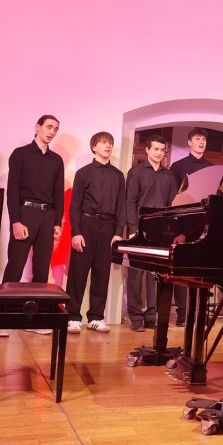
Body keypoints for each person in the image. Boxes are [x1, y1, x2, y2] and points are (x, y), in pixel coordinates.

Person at [1, 115, 64, 335]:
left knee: (40, 269)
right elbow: (13, 190)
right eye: (48, 127)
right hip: (25, 213)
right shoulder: (20, 154)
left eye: (55, 129)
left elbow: (58, 193)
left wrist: (57, 222)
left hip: (48, 216)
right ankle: (2, 316)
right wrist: (16, 221)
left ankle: (36, 320)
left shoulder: (56, 160)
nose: (52, 131)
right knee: (15, 266)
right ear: (37, 127)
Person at [65, 132, 126, 334]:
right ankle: (73, 316)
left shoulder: (118, 175)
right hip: (86, 224)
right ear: (94, 147)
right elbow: (75, 206)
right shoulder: (83, 173)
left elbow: (121, 206)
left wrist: (118, 232)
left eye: (110, 143)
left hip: (108, 228)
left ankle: (96, 317)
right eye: (103, 142)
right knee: (78, 273)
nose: (107, 145)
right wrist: (76, 232)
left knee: (102, 273)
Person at [125, 135, 177, 332]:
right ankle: (136, 317)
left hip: (161, 230)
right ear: (147, 150)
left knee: (155, 274)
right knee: (136, 274)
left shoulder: (169, 175)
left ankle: (151, 316)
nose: (159, 153)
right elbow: (129, 201)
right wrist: (132, 228)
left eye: (162, 150)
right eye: (155, 149)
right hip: (139, 226)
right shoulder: (136, 172)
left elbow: (172, 203)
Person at [169, 128, 213, 327]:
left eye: (203, 139)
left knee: (201, 269)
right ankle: (182, 313)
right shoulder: (178, 166)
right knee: (181, 268)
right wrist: (178, 229)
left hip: (202, 223)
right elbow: (174, 200)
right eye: (197, 139)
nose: (201, 142)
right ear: (189, 142)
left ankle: (200, 313)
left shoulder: (211, 167)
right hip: (183, 221)